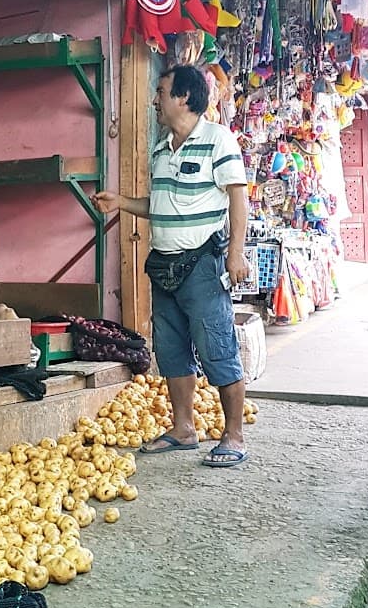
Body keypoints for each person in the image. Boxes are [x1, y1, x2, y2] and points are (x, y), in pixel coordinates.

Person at [93, 64, 251, 469]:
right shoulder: (162, 147)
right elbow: (159, 206)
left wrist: (237, 252)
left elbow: (238, 199)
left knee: (217, 346)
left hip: (202, 264)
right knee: (172, 350)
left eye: (161, 92)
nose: (155, 100)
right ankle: (183, 428)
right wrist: (122, 202)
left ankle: (233, 435)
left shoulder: (219, 141)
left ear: (183, 97)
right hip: (162, 265)